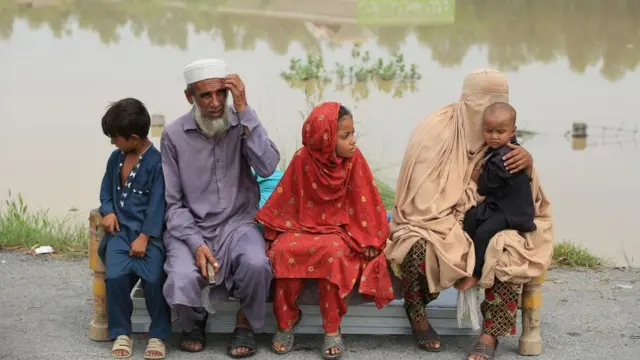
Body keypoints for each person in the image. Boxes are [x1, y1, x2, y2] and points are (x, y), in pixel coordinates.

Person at [384, 69, 553, 360]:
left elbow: (528, 197)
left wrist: (528, 163)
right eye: (484, 103)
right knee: (416, 245)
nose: (490, 125)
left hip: (489, 216)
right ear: (467, 101)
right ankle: (418, 317)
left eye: (499, 102)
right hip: (435, 218)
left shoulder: (503, 135)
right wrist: (461, 212)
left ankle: (490, 334)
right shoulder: (434, 131)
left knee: (509, 248)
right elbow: (420, 200)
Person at [255, 102, 395, 359]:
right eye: (345, 136)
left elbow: (367, 203)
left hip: (338, 230)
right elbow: (284, 201)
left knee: (335, 254)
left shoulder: (355, 161)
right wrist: (273, 234)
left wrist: (371, 238)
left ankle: (332, 328)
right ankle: (286, 322)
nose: (353, 141)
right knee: (283, 251)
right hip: (301, 226)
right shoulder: (301, 159)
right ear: (326, 138)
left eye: (353, 133)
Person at [161, 58, 280, 357]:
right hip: (191, 227)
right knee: (181, 276)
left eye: (221, 94)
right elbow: (173, 204)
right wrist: (195, 242)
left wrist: (245, 109)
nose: (215, 103)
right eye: (205, 95)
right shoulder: (173, 135)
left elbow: (267, 167)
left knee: (257, 264)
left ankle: (244, 324)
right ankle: (194, 322)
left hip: (238, 223)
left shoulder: (241, 123)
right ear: (190, 96)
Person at [98, 98, 170, 359]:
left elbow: (158, 204)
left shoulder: (157, 164)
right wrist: (108, 211)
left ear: (134, 137)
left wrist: (144, 236)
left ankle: (158, 335)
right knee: (114, 278)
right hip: (120, 234)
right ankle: (121, 332)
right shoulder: (114, 159)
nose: (112, 143)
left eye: (115, 138)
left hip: (148, 237)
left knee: (154, 280)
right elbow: (106, 190)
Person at [456, 102, 537, 291]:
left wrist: (476, 178)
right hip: (498, 204)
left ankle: (476, 273)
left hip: (513, 211)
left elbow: (484, 187)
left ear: (512, 131)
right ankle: (465, 261)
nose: (493, 137)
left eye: (500, 132)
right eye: (488, 131)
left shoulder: (508, 157)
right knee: (470, 217)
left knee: (484, 233)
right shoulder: (499, 149)